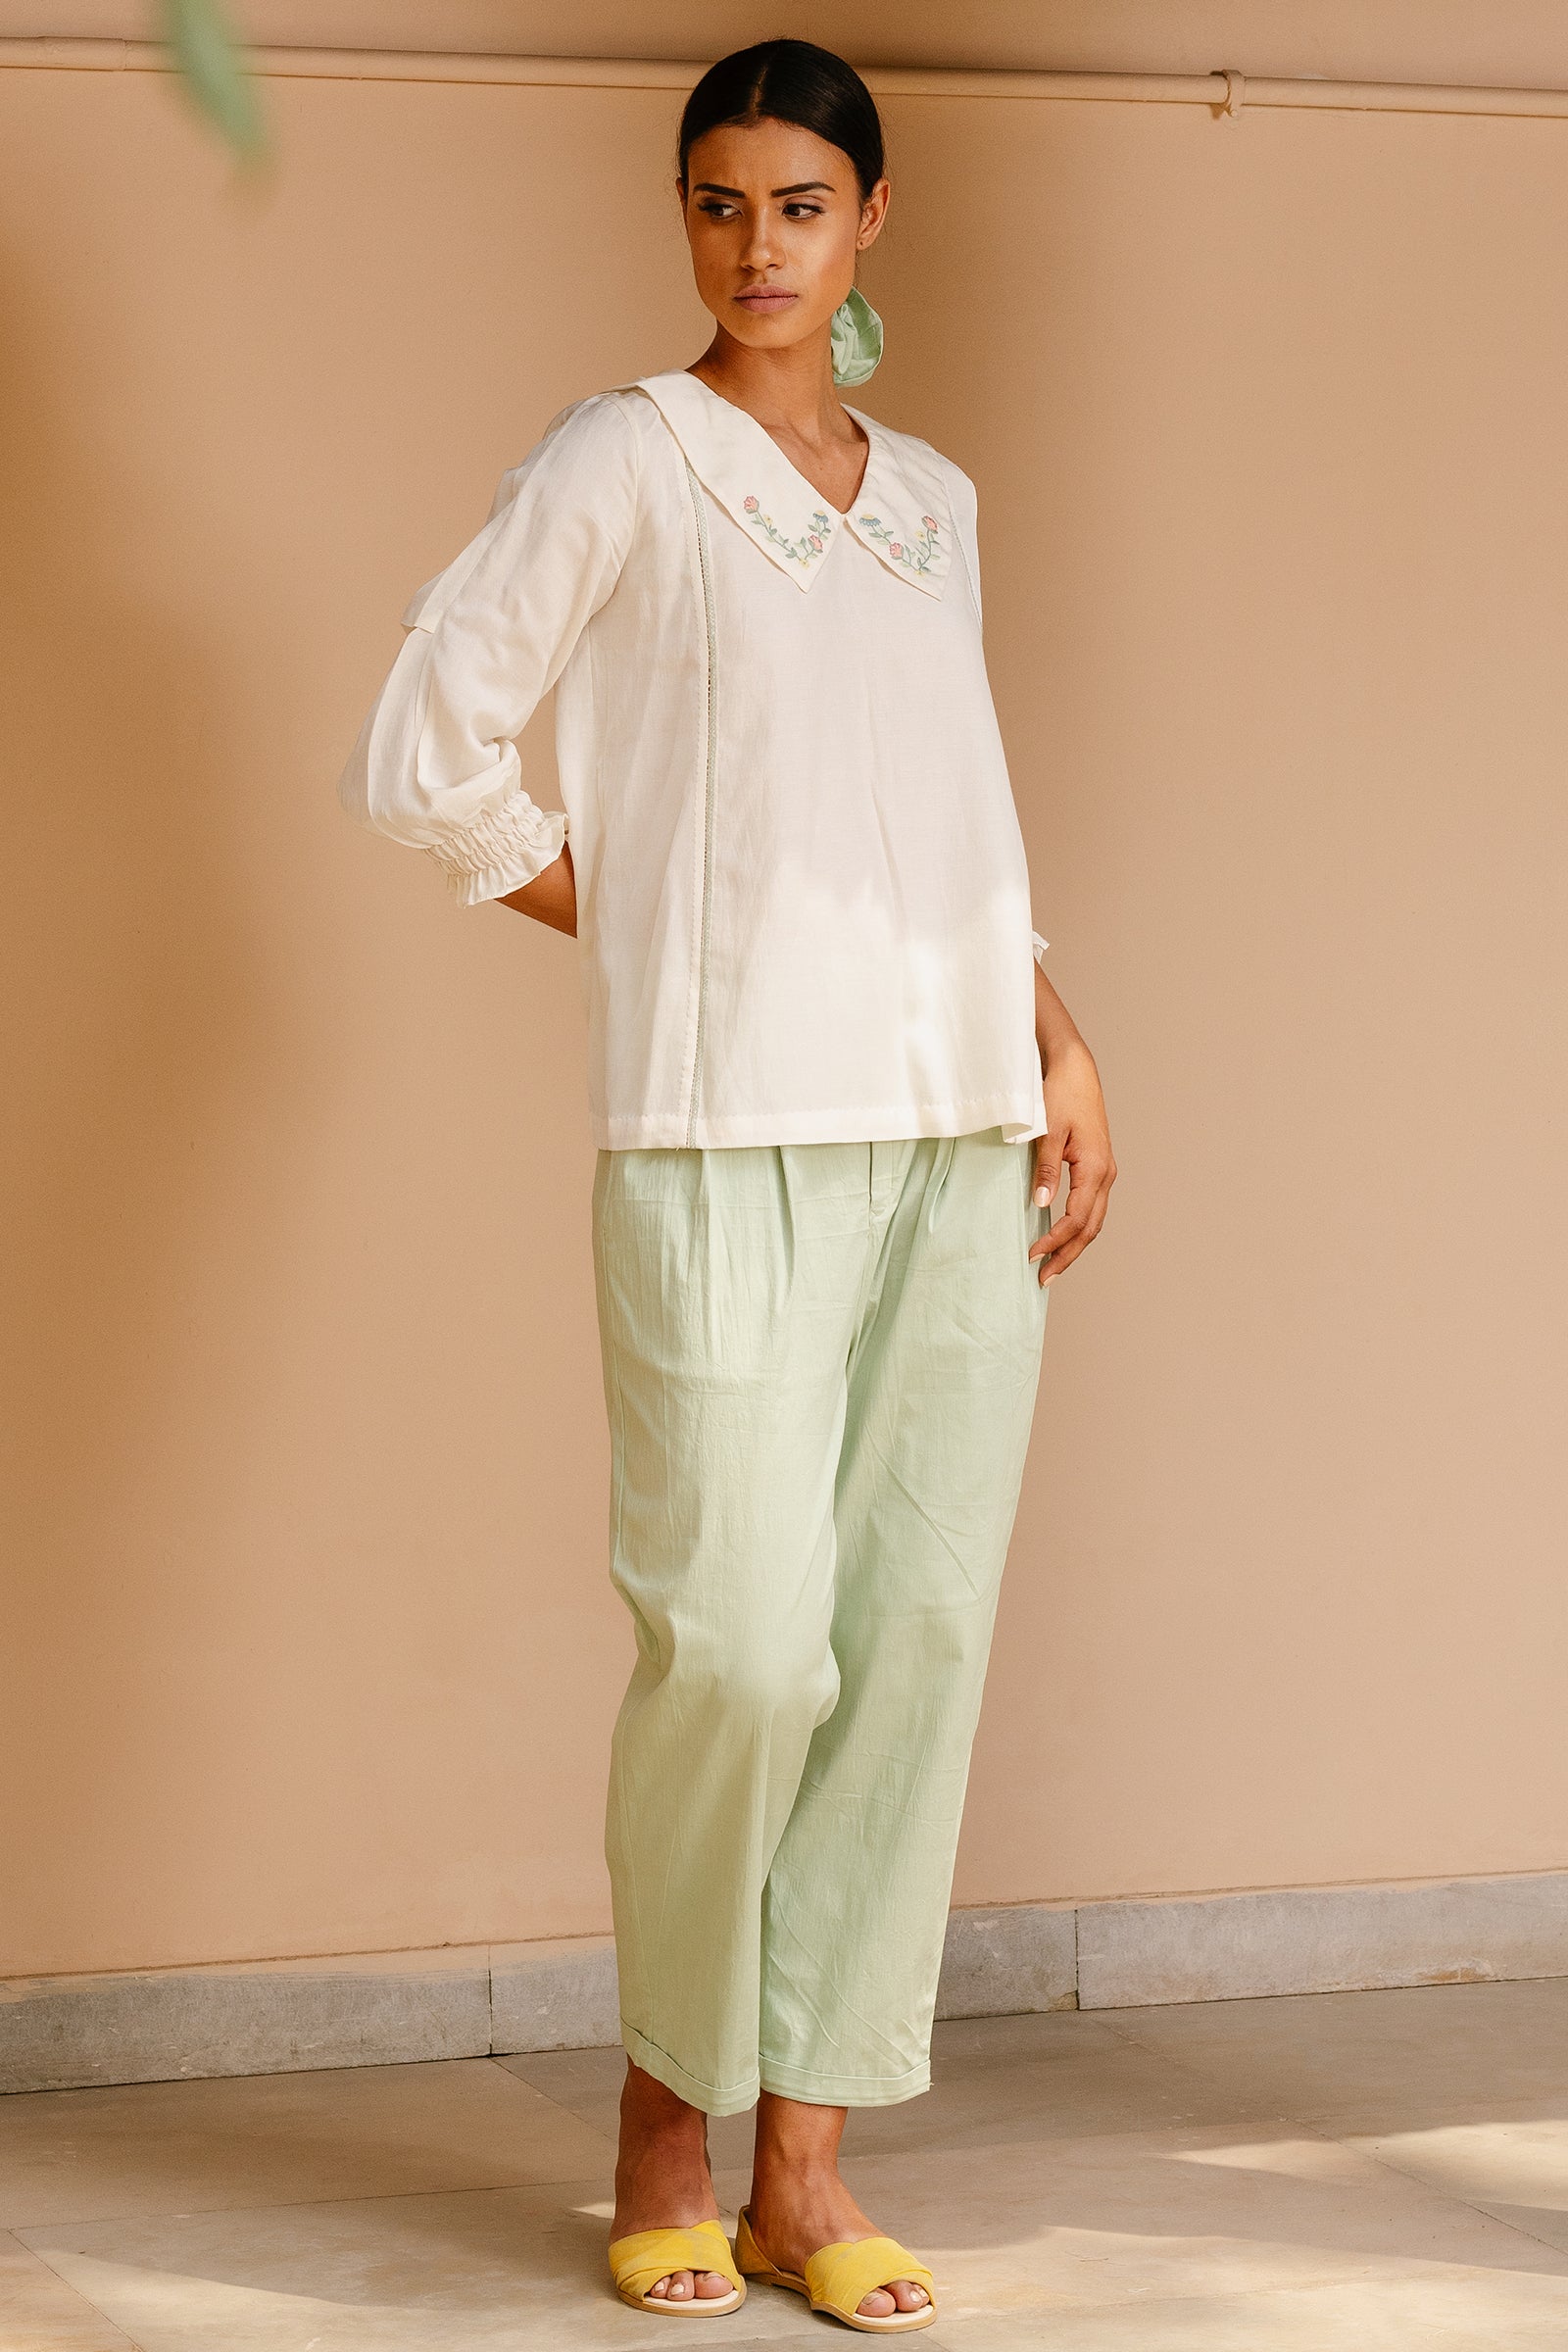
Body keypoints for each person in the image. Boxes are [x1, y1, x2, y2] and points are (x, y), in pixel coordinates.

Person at [338, 35, 1115, 2333]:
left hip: (952, 1131)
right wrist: (658, 925)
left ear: (869, 217)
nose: (753, 244)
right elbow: (425, 757)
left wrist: (1057, 1038)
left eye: (795, 202)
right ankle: (665, 2122)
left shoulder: (931, 500)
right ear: (681, 217)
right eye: (714, 200)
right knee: (745, 1650)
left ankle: (805, 2164)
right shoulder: (625, 457)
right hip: (715, 1132)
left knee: (915, 1641)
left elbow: (948, 823)